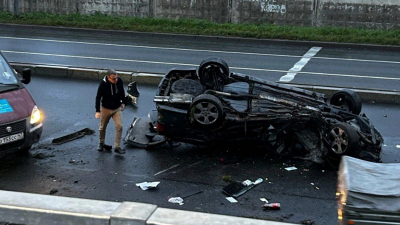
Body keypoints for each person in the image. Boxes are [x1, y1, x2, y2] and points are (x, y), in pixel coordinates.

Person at [95, 69, 126, 154]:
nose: (115, 80)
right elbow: (98, 97)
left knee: (119, 126)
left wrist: (123, 102)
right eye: (113, 79)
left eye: (116, 78)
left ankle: (117, 146)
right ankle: (101, 143)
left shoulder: (119, 81)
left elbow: (122, 92)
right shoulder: (103, 84)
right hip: (106, 108)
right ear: (108, 78)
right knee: (102, 127)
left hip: (116, 108)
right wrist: (97, 111)